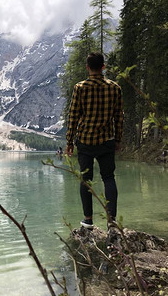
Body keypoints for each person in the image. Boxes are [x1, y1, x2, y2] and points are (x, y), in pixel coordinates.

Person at [65, 52, 124, 229]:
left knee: (86, 180)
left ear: (87, 67)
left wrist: (69, 141)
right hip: (107, 140)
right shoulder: (115, 88)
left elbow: (73, 116)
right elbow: (119, 117)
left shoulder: (80, 88)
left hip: (85, 141)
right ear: (103, 67)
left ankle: (88, 220)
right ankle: (111, 221)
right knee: (108, 178)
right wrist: (118, 140)